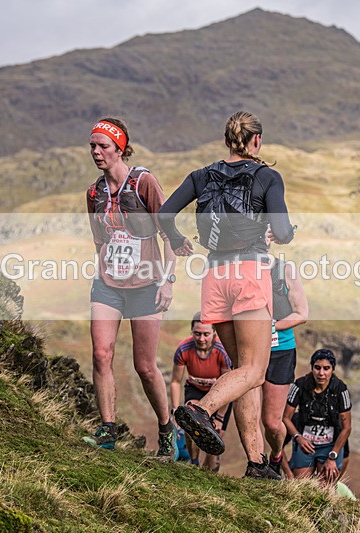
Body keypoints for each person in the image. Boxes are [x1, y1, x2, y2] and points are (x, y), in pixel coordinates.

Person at [159, 111, 294, 479]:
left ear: (226, 141)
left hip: (214, 274)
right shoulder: (268, 176)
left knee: (241, 371)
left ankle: (256, 463)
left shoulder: (201, 175)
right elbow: (281, 231)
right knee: (255, 369)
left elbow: (164, 213)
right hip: (249, 273)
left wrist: (175, 239)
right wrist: (284, 233)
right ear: (257, 141)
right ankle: (201, 408)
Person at [81, 117, 179, 461]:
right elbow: (98, 240)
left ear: (120, 148)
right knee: (101, 353)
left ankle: (167, 430)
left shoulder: (144, 183)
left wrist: (168, 281)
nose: (96, 152)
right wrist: (104, 269)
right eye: (92, 145)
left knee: (145, 366)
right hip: (108, 284)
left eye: (103, 146)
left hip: (146, 286)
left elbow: (169, 234)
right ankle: (107, 428)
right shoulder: (94, 193)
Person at [262, 254, 308, 476]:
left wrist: (270, 327)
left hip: (281, 351)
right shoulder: (240, 265)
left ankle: (276, 456)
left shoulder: (285, 269)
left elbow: (301, 314)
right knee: (249, 416)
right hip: (250, 349)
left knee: (271, 423)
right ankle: (256, 465)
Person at [170, 312, 233, 471]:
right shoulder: (184, 349)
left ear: (214, 333)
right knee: (192, 426)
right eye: (197, 334)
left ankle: (208, 473)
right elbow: (175, 381)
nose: (201, 338)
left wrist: (219, 417)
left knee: (213, 441)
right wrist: (176, 410)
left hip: (220, 395)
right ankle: (194, 462)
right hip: (195, 390)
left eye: (206, 334)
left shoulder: (222, 351)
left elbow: (229, 386)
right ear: (192, 332)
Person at [283, 349, 352, 485]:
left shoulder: (340, 389)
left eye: (326, 368)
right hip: (305, 443)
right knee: (300, 486)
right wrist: (298, 437)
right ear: (312, 367)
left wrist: (333, 456)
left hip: (330, 445)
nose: (321, 373)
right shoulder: (300, 385)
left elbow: (347, 428)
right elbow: (285, 417)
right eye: (317, 368)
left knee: (325, 488)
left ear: (332, 369)